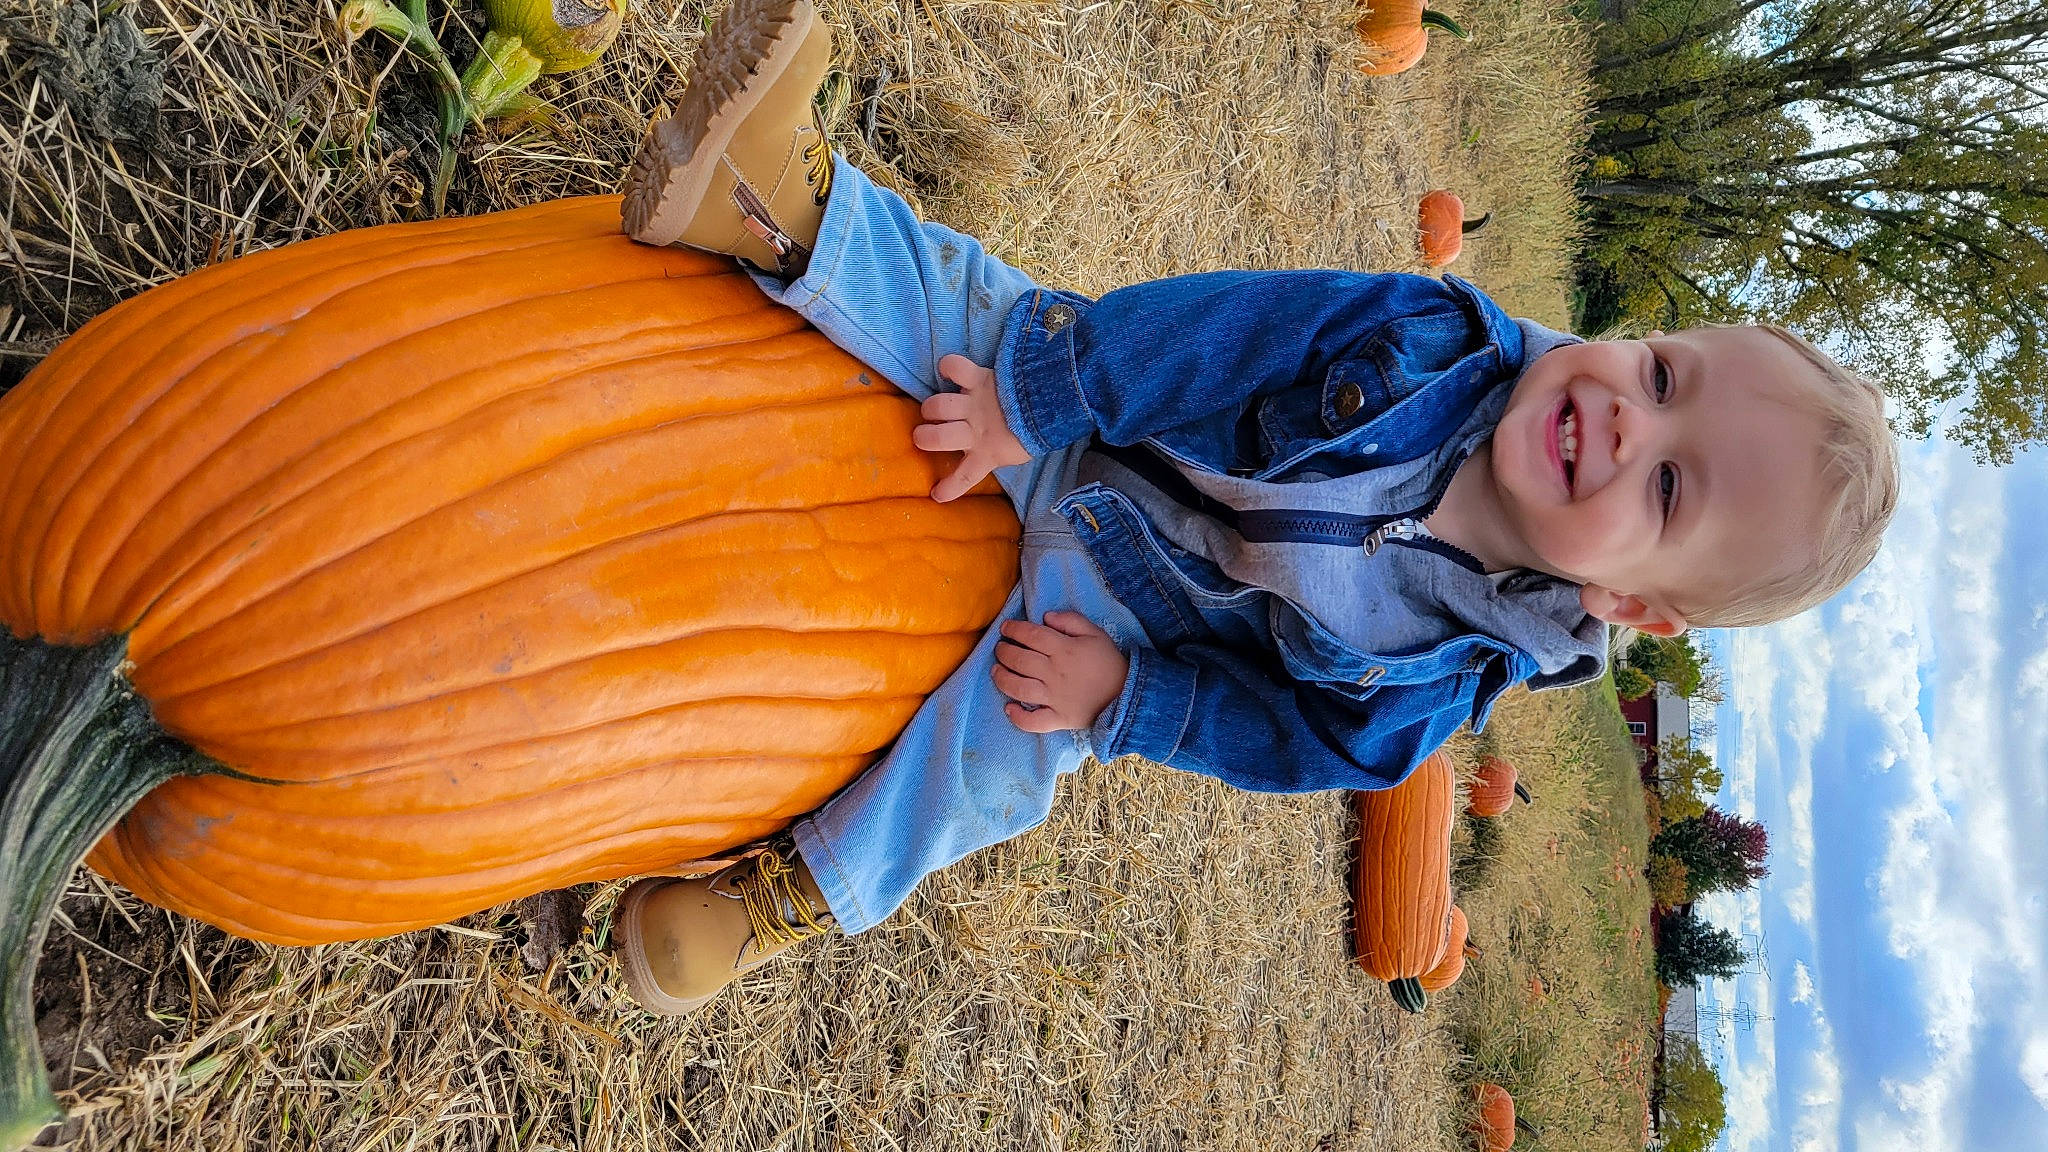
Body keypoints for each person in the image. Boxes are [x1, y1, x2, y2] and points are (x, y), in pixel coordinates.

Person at [606, 0, 1900, 1016]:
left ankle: (771, 901)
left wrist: (1125, 697)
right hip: (1086, 438)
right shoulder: (1426, 342)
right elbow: (1223, 334)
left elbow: (1275, 736)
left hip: (1107, 616)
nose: (1632, 418)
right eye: (1664, 373)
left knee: (995, 774)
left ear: (1626, 605)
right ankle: (775, 199)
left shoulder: (1419, 706)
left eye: (1670, 484)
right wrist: (1039, 401)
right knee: (973, 312)